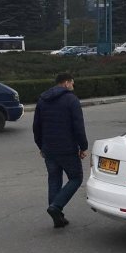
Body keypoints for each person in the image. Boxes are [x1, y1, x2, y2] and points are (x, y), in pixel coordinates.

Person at [33, 73, 89, 228]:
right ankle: (56, 207)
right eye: (72, 83)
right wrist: (83, 146)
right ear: (66, 83)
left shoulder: (42, 99)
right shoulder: (71, 99)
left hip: (49, 149)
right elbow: (78, 126)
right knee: (76, 178)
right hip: (67, 148)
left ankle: (57, 215)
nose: (73, 86)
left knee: (54, 179)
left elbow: (36, 126)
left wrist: (41, 146)